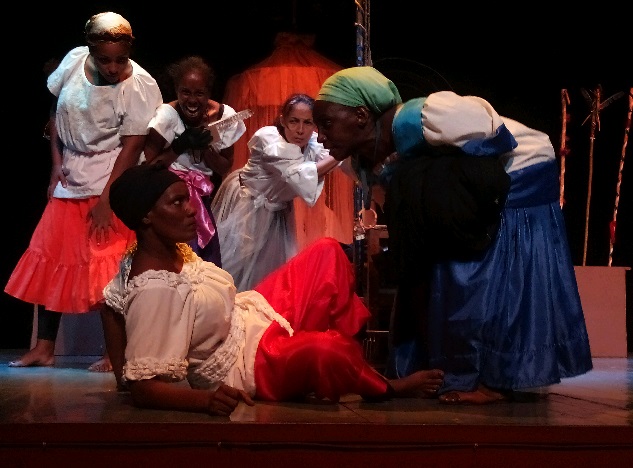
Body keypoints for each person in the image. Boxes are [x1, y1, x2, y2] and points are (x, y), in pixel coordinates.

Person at [312, 66, 593, 405]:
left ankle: (495, 379)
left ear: (360, 115)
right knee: (439, 273)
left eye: (326, 123)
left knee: (486, 276)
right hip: (471, 191)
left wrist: (435, 173)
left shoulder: (425, 116)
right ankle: (442, 365)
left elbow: (494, 138)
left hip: (519, 169)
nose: (320, 137)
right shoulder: (360, 162)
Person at [102, 163, 444, 415]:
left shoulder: (164, 250)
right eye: (177, 203)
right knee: (327, 350)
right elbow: (144, 390)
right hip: (245, 364)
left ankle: (331, 368)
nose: (192, 209)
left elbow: (109, 303)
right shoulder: (155, 288)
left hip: (248, 315)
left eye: (186, 199)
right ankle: (376, 384)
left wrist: (120, 375)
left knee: (326, 253)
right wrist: (204, 400)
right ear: (146, 217)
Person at [5, 12, 162, 371]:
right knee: (51, 257)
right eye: (104, 59)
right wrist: (55, 165)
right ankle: (44, 347)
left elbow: (132, 145)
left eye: (120, 60)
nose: (112, 67)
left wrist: (108, 198)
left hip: (110, 175)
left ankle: (114, 352)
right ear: (90, 48)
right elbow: (56, 113)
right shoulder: (75, 61)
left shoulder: (139, 85)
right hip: (70, 176)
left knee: (108, 267)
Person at [211, 93, 344, 292]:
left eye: (307, 123)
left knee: (272, 270)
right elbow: (299, 174)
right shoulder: (269, 139)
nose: (300, 130)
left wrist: (345, 150)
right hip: (250, 204)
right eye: (294, 121)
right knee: (238, 264)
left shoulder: (312, 143)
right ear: (283, 121)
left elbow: (331, 159)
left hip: (277, 207)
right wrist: (342, 152)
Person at [143, 55, 247, 266]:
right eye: (185, 92)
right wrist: (180, 145)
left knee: (205, 261)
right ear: (177, 90)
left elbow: (224, 167)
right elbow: (149, 167)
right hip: (171, 198)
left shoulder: (224, 116)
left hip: (202, 196)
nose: (192, 100)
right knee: (178, 259)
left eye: (199, 93)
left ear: (208, 93)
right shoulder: (167, 116)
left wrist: (205, 146)